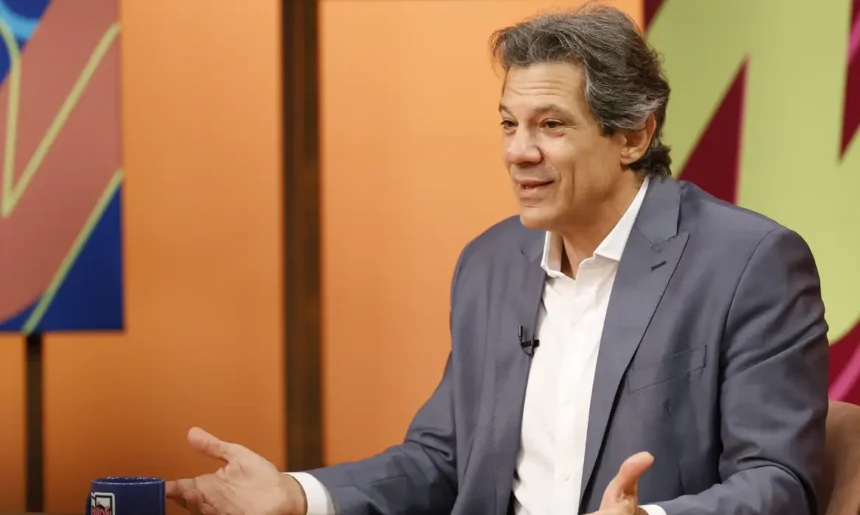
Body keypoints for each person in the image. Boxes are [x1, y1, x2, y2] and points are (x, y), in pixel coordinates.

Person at [166, 4, 829, 514]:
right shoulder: (489, 263)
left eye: (551, 125)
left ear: (633, 134)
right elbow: (444, 459)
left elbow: (778, 481)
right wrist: (298, 494)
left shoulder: (748, 263)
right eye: (509, 124)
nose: (518, 152)